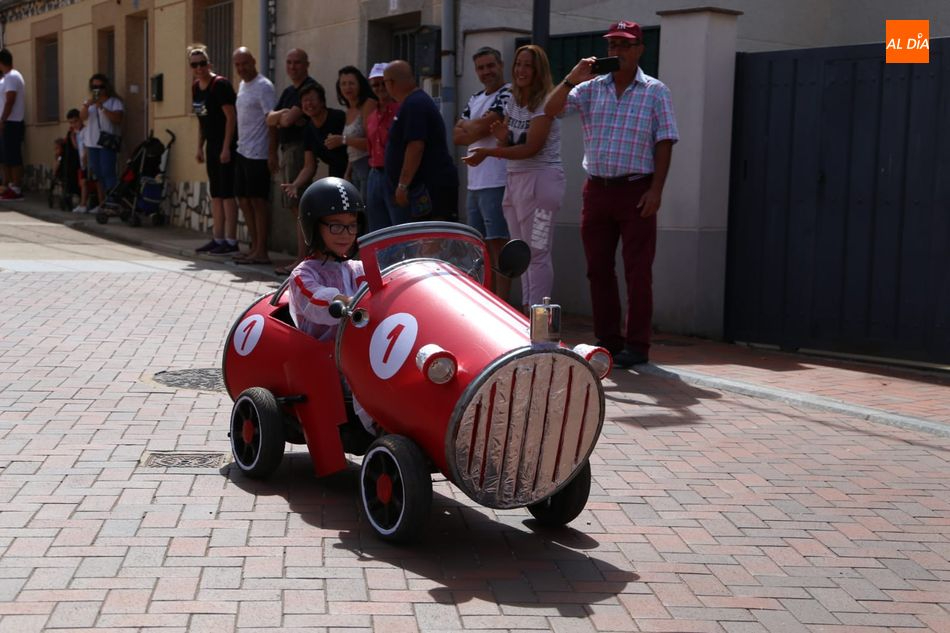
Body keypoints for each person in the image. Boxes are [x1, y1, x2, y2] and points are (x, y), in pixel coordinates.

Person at [544, 20, 679, 368]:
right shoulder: (590, 89)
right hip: (598, 190)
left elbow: (665, 140)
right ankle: (609, 341)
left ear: (639, 50)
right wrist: (573, 77)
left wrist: (656, 190)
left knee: (638, 270)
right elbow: (550, 108)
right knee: (598, 269)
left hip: (636, 188)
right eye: (612, 45)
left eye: (624, 44)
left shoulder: (655, 90)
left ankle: (637, 346)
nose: (617, 51)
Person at [462, 44, 563, 313]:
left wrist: (489, 150)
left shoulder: (545, 102)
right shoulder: (513, 101)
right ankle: (528, 312)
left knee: (538, 252)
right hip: (515, 182)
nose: (521, 70)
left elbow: (532, 148)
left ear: (538, 69)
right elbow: (515, 142)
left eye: (527, 65)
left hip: (542, 184)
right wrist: (503, 138)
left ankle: (539, 320)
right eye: (518, 64)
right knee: (523, 254)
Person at [288, 177, 374, 435]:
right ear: (314, 227)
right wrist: (344, 302)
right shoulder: (303, 275)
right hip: (327, 362)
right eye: (336, 227)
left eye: (351, 226)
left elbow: (381, 291)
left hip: (362, 348)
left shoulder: (358, 269)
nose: (346, 234)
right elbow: (318, 302)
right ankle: (379, 427)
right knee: (361, 369)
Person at [453, 46, 512, 298]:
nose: (486, 71)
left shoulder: (508, 93)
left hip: (496, 180)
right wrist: (474, 127)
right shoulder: (475, 98)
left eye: (490, 66)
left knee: (499, 245)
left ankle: (503, 303)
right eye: (481, 67)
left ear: (500, 65)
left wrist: (470, 127)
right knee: (479, 249)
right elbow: (457, 136)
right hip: (474, 184)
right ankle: (487, 301)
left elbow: (481, 128)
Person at [383, 60, 459, 224]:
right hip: (424, 189)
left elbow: (416, 146)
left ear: (391, 83)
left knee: (432, 240)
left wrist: (403, 184)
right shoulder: (413, 102)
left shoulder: (415, 104)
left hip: (431, 189)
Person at [267, 48, 318, 275]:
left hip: (300, 151)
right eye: (288, 62)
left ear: (307, 64)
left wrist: (281, 116)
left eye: (297, 62)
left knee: (300, 206)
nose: (292, 67)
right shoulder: (288, 91)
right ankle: (301, 258)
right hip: (286, 151)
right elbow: (270, 119)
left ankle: (302, 260)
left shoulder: (309, 88)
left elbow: (286, 121)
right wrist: (280, 116)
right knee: (293, 208)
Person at [188, 45, 239, 255]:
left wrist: (226, 147)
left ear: (208, 64)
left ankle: (231, 240)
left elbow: (231, 117)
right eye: (194, 64)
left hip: (225, 145)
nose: (198, 68)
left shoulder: (220, 85)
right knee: (216, 193)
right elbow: (202, 120)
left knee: (227, 194)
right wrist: (199, 147)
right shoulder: (195, 88)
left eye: (202, 63)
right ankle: (217, 238)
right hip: (211, 146)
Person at [232, 47, 276, 265]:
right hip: (242, 150)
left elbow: (271, 121)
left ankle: (262, 250)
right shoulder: (241, 85)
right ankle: (253, 246)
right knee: (244, 200)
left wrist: (271, 153)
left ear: (254, 61)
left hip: (258, 153)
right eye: (238, 64)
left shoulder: (264, 86)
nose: (241, 68)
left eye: (245, 63)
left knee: (259, 202)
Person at [279, 82, 346, 210]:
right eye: (305, 100)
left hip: (353, 171)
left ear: (322, 102)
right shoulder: (308, 130)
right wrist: (295, 185)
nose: (309, 104)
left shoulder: (338, 117)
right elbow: (309, 166)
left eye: (312, 100)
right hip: (335, 175)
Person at [324, 66, 376, 199]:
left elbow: (371, 142)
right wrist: (348, 172)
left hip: (368, 165)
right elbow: (352, 149)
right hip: (355, 168)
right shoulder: (349, 110)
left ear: (360, 85)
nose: (347, 88)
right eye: (343, 84)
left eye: (351, 83)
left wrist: (342, 140)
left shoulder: (368, 105)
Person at [80, 73, 123, 213]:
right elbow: (82, 118)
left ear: (106, 87)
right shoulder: (90, 103)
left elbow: (118, 119)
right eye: (94, 87)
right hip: (92, 143)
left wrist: (102, 107)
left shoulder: (114, 102)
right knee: (98, 174)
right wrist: (87, 106)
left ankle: (113, 203)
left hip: (106, 143)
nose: (97, 89)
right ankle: (102, 203)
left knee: (108, 172)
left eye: (100, 86)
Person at [364, 62, 399, 232]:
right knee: (377, 227)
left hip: (393, 173)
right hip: (375, 173)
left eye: (382, 83)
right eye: (375, 85)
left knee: (397, 223)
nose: (379, 88)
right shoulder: (371, 116)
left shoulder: (400, 110)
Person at [0, 49, 27, 201]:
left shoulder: (12, 77)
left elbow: (10, 100)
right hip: (8, 122)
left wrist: (3, 120)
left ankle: (16, 187)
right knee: (7, 156)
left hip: (12, 122)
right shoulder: (8, 77)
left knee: (14, 155)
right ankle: (10, 186)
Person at [66, 109, 92, 214]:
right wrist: (72, 136)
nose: (74, 124)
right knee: (82, 182)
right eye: (71, 122)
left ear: (81, 119)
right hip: (81, 161)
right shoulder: (76, 132)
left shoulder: (85, 131)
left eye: (76, 121)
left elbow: (86, 147)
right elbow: (76, 147)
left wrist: (85, 159)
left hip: (86, 161)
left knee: (84, 182)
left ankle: (83, 204)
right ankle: (83, 203)